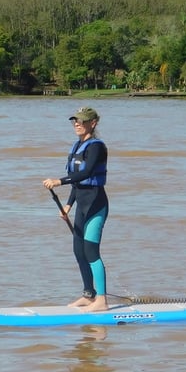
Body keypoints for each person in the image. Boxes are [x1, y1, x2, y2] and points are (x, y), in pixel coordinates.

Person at [43, 106, 110, 312]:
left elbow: (88, 173)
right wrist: (68, 206)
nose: (77, 123)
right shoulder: (76, 146)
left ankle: (102, 300)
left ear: (93, 123)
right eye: (75, 120)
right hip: (81, 204)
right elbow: (78, 181)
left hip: (96, 204)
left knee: (91, 251)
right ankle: (89, 295)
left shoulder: (96, 147)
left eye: (81, 120)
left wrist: (58, 181)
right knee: (78, 251)